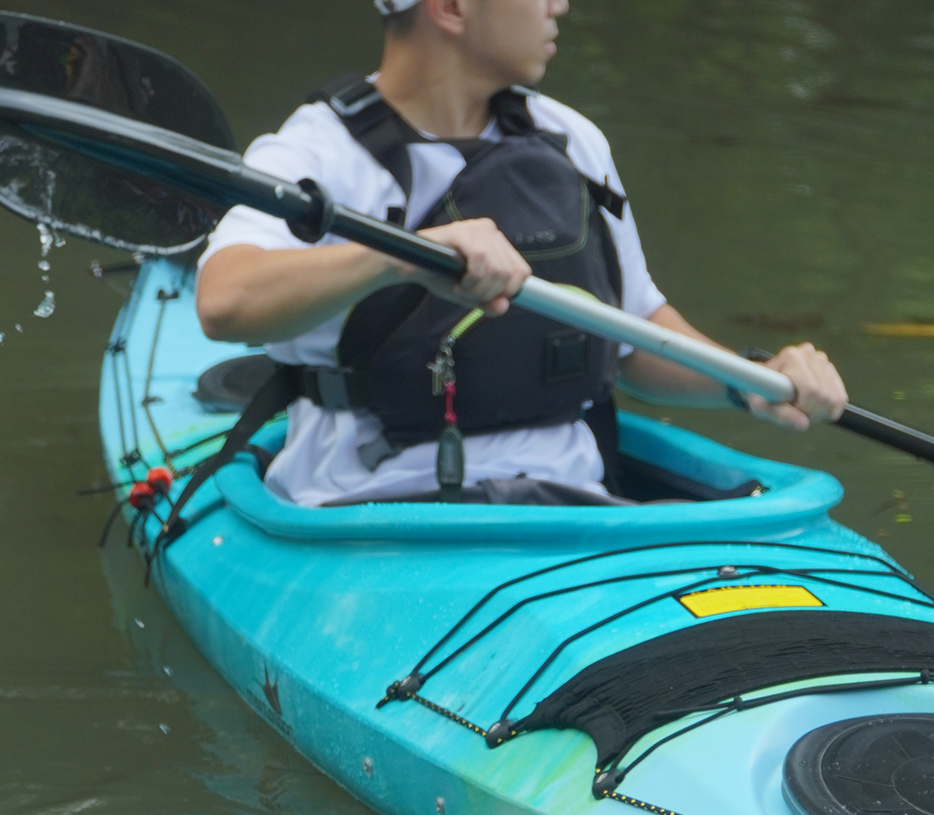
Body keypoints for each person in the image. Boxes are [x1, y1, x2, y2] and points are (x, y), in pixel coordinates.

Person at [195, 0, 847, 507]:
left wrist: (750, 382)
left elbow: (635, 338)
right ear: (450, 7)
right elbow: (225, 302)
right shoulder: (314, 154)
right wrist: (401, 258)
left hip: (572, 507)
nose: (559, 6)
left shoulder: (571, 142)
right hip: (368, 512)